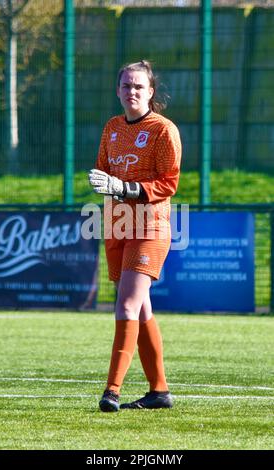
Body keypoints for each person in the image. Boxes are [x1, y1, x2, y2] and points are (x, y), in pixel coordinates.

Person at [88, 60, 182, 412]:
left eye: (139, 86)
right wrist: (102, 181)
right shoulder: (112, 127)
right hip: (118, 225)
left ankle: (111, 391)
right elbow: (104, 169)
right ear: (117, 90)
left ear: (151, 91)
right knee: (140, 308)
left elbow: (169, 182)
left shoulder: (162, 130)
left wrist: (123, 186)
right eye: (126, 86)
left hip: (150, 225)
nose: (132, 92)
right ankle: (159, 392)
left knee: (126, 303)